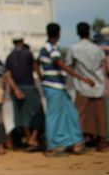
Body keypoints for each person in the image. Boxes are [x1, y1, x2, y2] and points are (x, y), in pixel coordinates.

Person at [38, 22, 93, 156]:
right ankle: (52, 148)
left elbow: (36, 63)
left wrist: (42, 78)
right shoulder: (51, 48)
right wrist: (82, 78)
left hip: (57, 87)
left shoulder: (47, 47)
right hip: (54, 87)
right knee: (55, 117)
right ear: (59, 34)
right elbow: (59, 63)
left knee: (71, 113)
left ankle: (75, 143)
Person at [65, 22, 106, 151]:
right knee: (99, 116)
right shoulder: (97, 48)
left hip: (82, 86)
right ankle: (102, 143)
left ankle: (79, 142)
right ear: (89, 32)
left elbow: (68, 66)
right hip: (98, 86)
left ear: (77, 33)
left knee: (80, 115)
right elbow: (103, 65)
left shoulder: (73, 48)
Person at [4, 37, 44, 151]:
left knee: (23, 115)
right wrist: (42, 79)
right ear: (22, 42)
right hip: (29, 87)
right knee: (38, 113)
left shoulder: (9, 56)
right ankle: (33, 138)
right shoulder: (28, 53)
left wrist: (15, 89)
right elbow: (36, 68)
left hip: (17, 90)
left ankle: (29, 139)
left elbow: (7, 75)